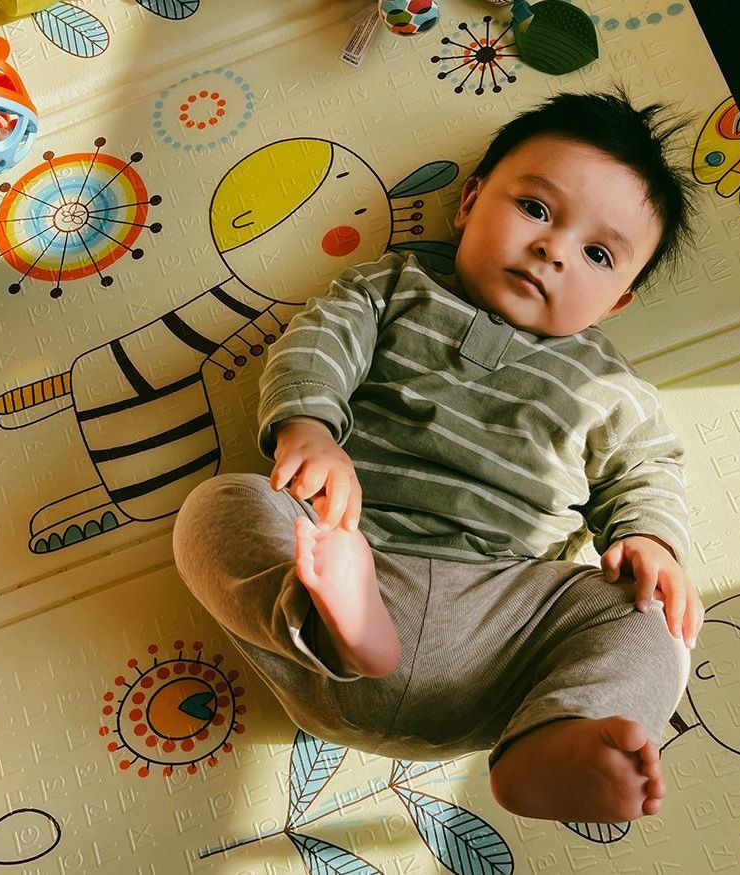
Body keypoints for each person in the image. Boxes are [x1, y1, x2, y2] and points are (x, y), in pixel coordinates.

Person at [173, 89, 705, 824]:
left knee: (652, 617)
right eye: (537, 210)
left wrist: (648, 539)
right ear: (468, 202)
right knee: (219, 505)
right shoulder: (391, 287)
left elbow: (644, 470)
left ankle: (558, 738)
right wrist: (308, 426)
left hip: (497, 631)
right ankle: (335, 623)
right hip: (339, 564)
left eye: (596, 254)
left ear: (615, 302)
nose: (553, 249)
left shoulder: (612, 387)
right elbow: (320, 343)